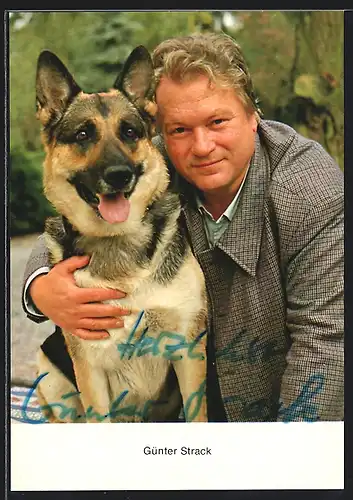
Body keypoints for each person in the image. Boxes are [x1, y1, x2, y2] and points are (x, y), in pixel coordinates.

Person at [22, 32, 344, 422]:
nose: (202, 146)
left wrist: (288, 459)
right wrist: (39, 285)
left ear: (253, 114)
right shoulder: (143, 162)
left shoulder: (309, 190)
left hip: (268, 417)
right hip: (177, 415)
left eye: (217, 121)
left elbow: (325, 343)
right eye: (180, 130)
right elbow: (70, 218)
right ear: (159, 133)